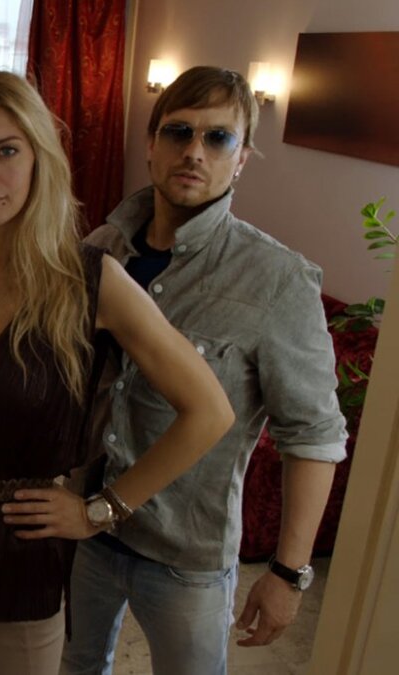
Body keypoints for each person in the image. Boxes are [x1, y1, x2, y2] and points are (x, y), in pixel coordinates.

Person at [0, 70, 234, 674]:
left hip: (25, 557)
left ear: (39, 158)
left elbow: (210, 411)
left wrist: (103, 509)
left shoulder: (88, 279)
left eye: (7, 151)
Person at [62, 66, 348, 675]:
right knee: (76, 665)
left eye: (218, 138)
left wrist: (288, 573)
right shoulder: (103, 248)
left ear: (241, 158)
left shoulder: (277, 280)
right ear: (150, 144)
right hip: (88, 530)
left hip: (186, 553)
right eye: (178, 132)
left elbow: (314, 436)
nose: (194, 151)